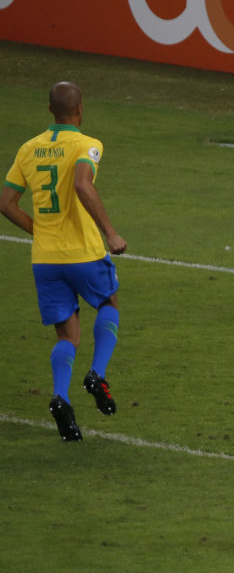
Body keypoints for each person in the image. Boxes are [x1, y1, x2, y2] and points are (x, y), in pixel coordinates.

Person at [1, 81, 127, 442]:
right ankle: (97, 374)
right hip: (83, 252)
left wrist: (39, 230)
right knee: (108, 302)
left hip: (45, 258)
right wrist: (110, 233)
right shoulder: (87, 145)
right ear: (80, 108)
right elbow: (83, 185)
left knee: (66, 333)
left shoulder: (28, 149)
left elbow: (6, 203)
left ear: (50, 110)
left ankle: (60, 398)